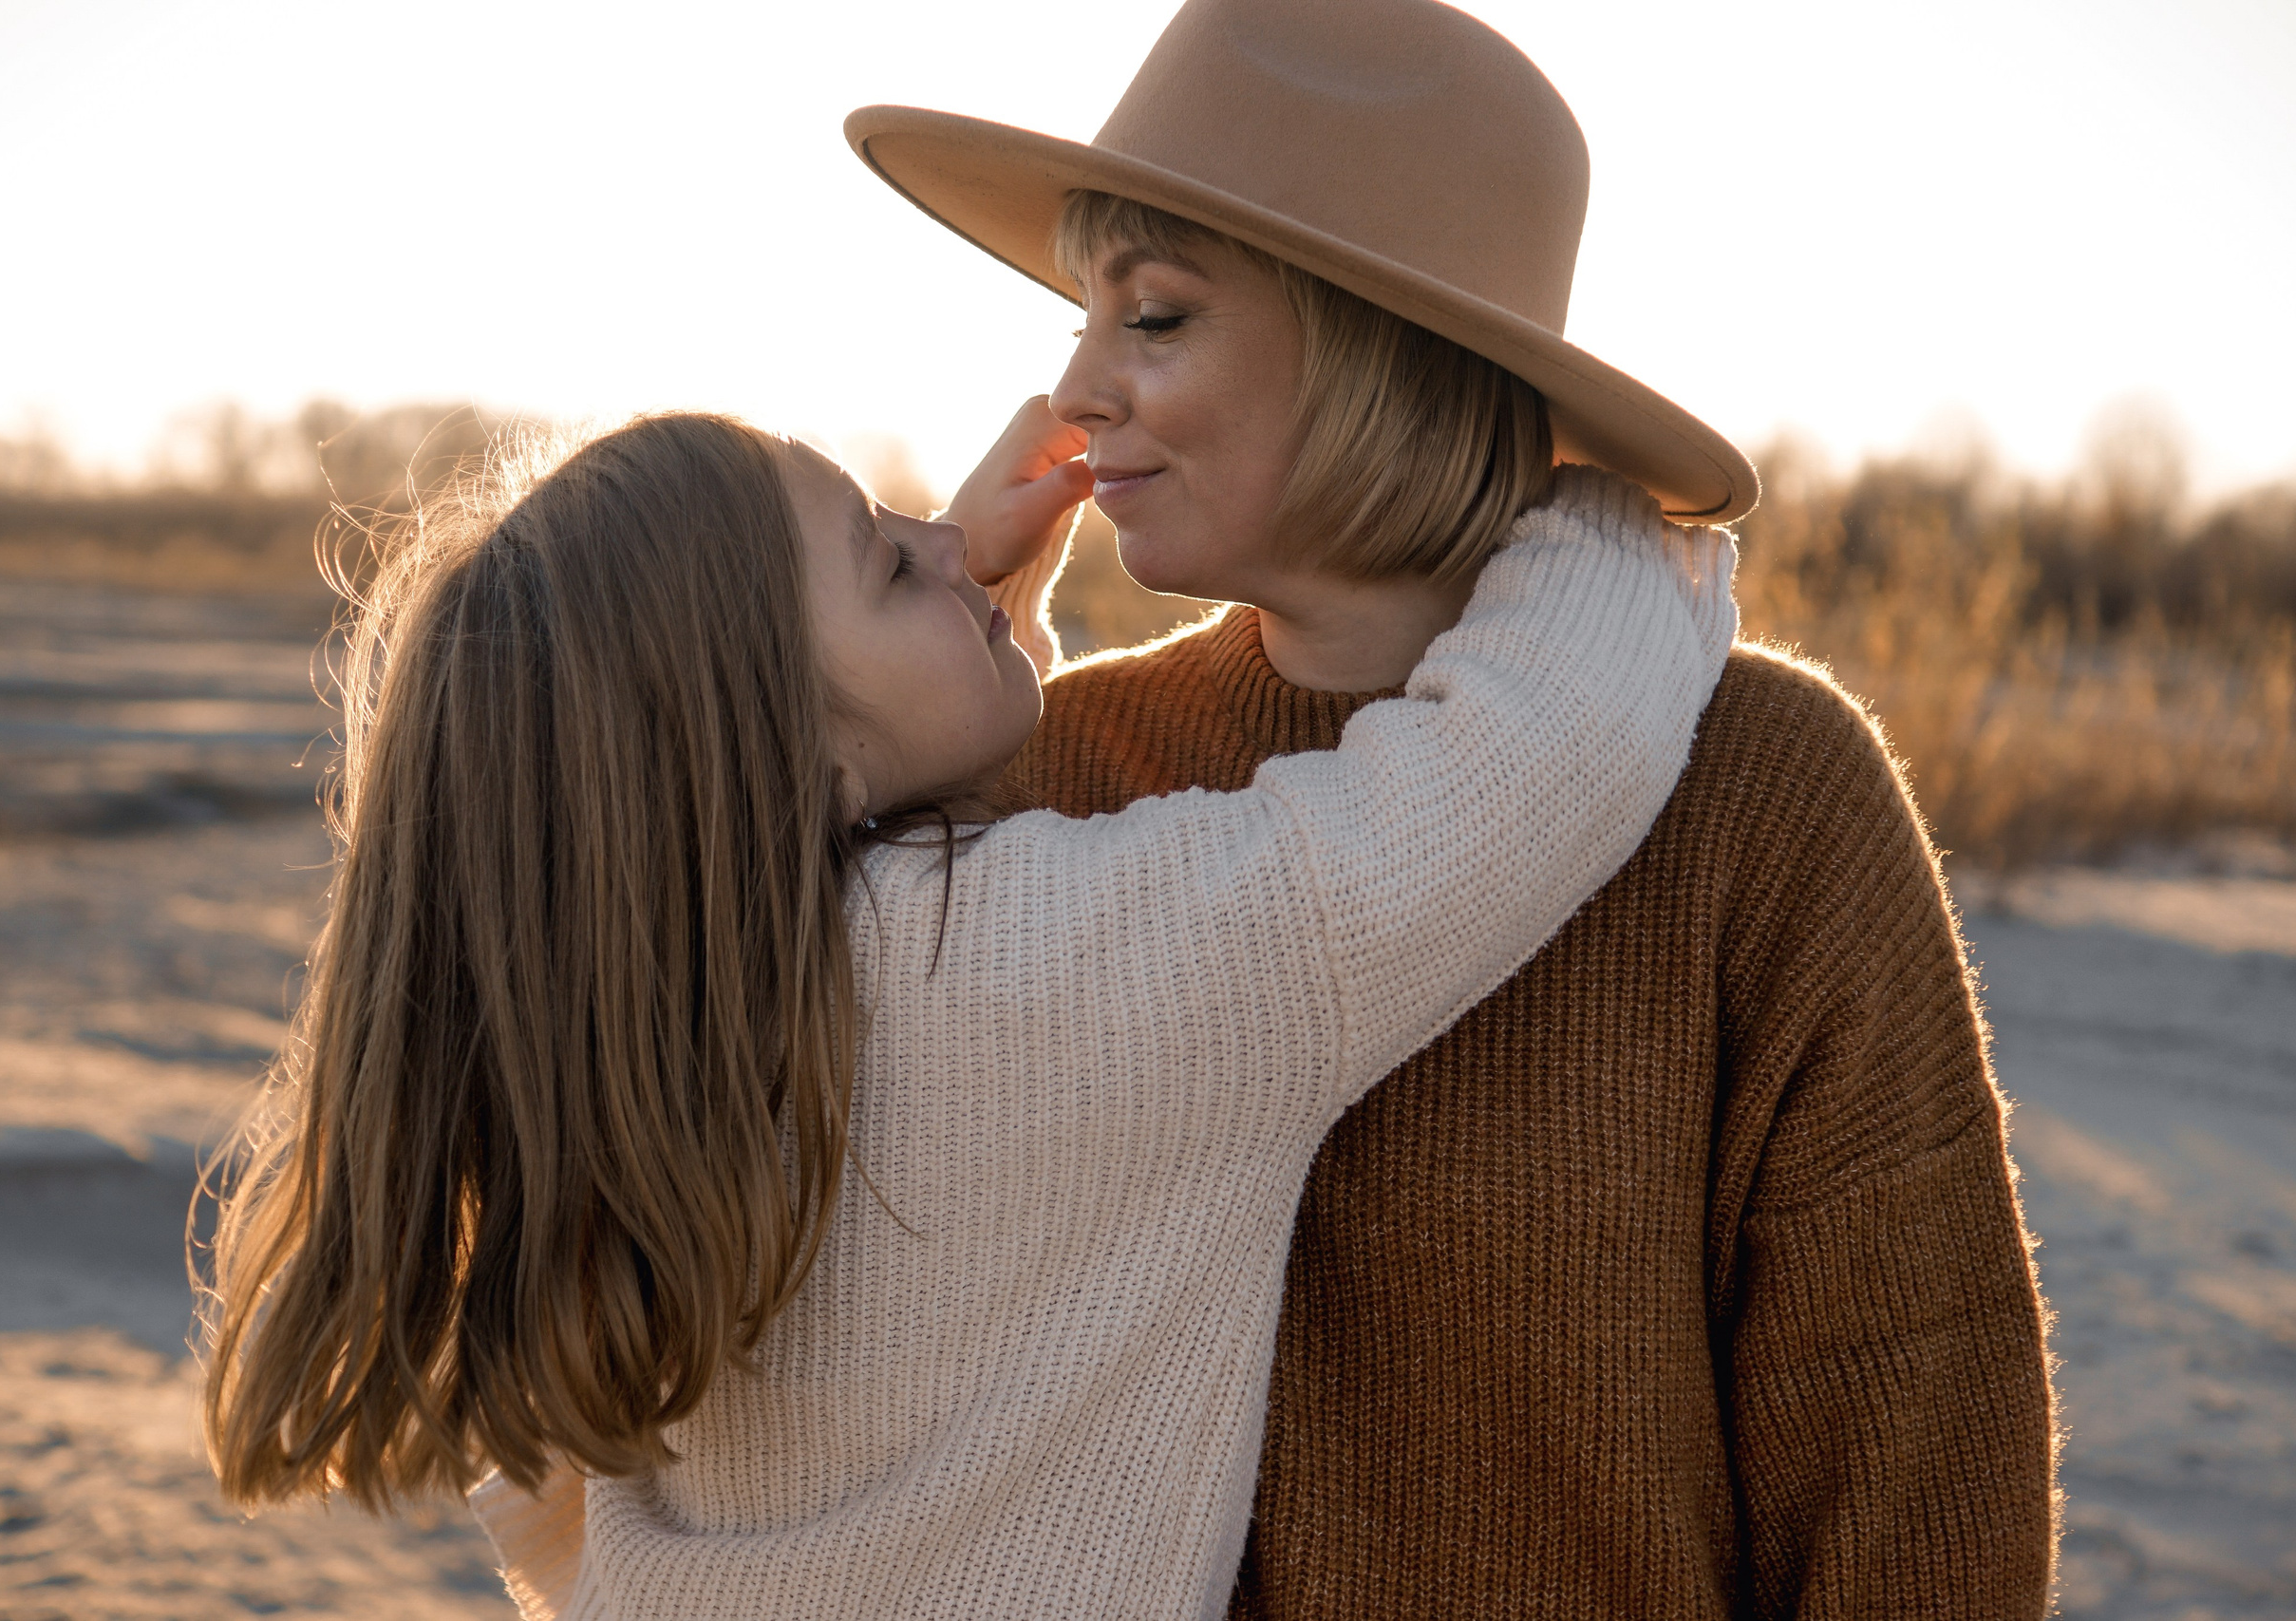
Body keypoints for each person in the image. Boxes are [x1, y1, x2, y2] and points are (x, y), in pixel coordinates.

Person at [851, 0, 2057, 1613]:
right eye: (1084, 316)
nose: (1074, 388)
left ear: (1377, 347)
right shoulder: (1063, 770)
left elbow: (1916, 1446)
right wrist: (946, 649)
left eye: (1150, 318)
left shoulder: (1766, 793)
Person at [197, 408, 1735, 1617]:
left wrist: (961, 611)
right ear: (787, 768)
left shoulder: (667, 1030)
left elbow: (902, 883)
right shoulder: (1042, 980)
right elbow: (1539, 760)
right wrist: (1599, 484)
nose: (944, 538)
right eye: (887, 560)